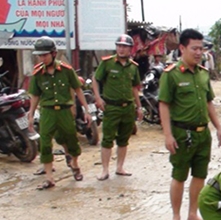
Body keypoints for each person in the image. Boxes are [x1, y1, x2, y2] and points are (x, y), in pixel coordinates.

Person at [159, 28, 221, 220]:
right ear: (182, 48)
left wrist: (218, 127)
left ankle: (192, 214)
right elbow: (164, 105)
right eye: (194, 48)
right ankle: (176, 217)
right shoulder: (171, 75)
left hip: (202, 134)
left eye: (201, 49)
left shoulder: (203, 74)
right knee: (179, 175)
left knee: (199, 175)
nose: (198, 53)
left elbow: (209, 103)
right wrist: (168, 135)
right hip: (181, 133)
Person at [26, 36, 92, 190]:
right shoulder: (37, 73)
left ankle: (74, 165)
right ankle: (49, 177)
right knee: (45, 143)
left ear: (53, 54)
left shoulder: (66, 71)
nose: (42, 58)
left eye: (45, 55)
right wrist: (30, 114)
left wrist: (86, 110)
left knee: (71, 139)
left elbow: (77, 89)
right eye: (40, 55)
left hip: (64, 111)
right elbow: (35, 95)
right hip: (47, 111)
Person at [92, 34, 143, 181]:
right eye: (119, 46)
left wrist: (139, 107)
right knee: (107, 139)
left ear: (130, 49)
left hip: (128, 107)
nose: (121, 49)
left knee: (123, 139)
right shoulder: (107, 63)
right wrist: (98, 98)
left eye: (125, 47)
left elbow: (134, 88)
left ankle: (120, 167)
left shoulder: (133, 67)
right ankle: (105, 170)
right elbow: (96, 79)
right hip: (111, 107)